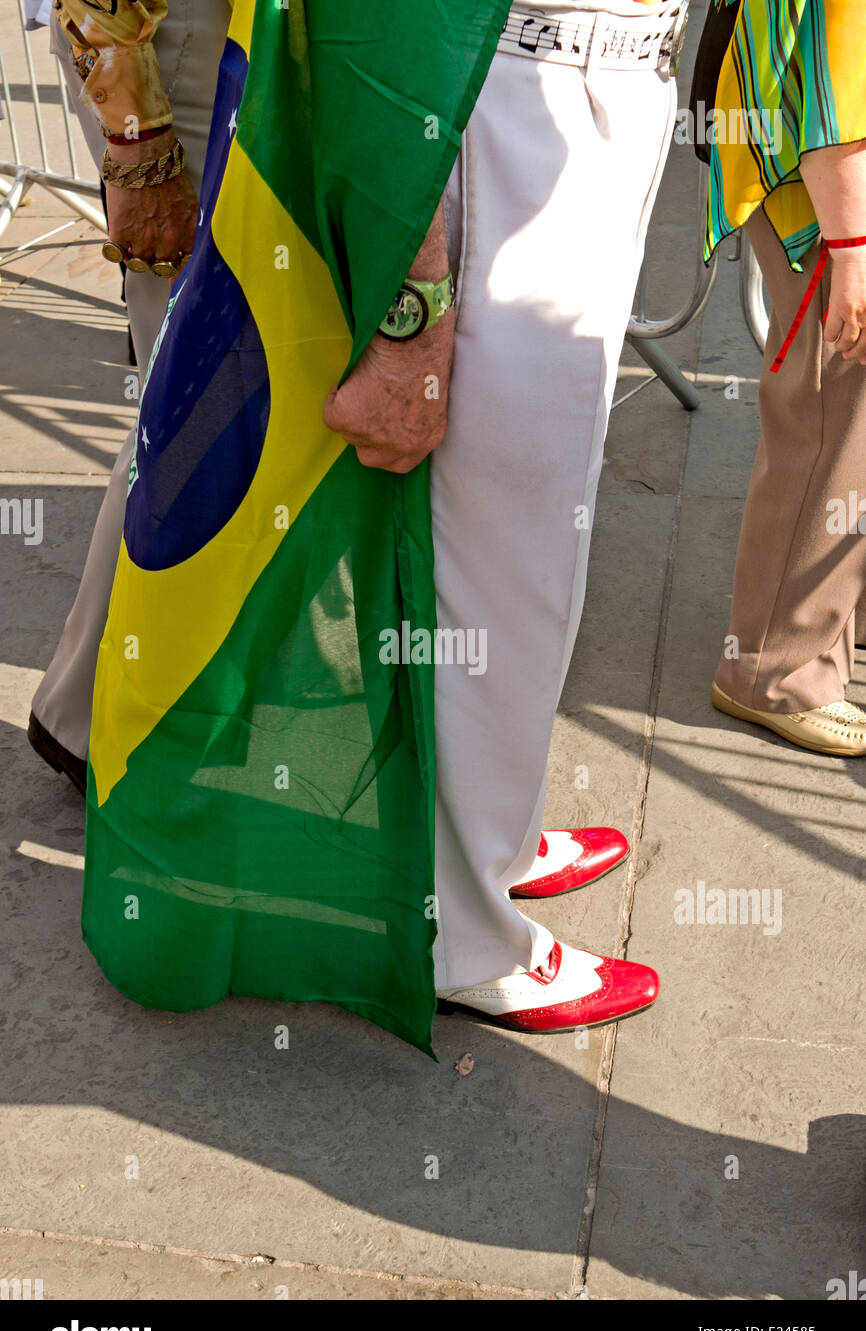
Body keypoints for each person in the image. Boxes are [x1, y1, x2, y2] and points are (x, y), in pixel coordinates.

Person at [80, 0, 687, 1053]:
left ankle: (476, 839)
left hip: (585, 91)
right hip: (486, 99)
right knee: (502, 554)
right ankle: (460, 926)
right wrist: (413, 309)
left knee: (531, 538)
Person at [27, 0, 231, 792]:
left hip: (204, 50)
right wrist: (136, 138)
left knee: (194, 396)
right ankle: (91, 720)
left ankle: (98, 713)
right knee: (188, 400)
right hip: (161, 52)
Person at [704, 0, 866, 756]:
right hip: (825, 199)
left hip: (813, 184)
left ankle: (825, 627)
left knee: (838, 420)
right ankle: (774, 669)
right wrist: (854, 248)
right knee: (831, 421)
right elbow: (839, 87)